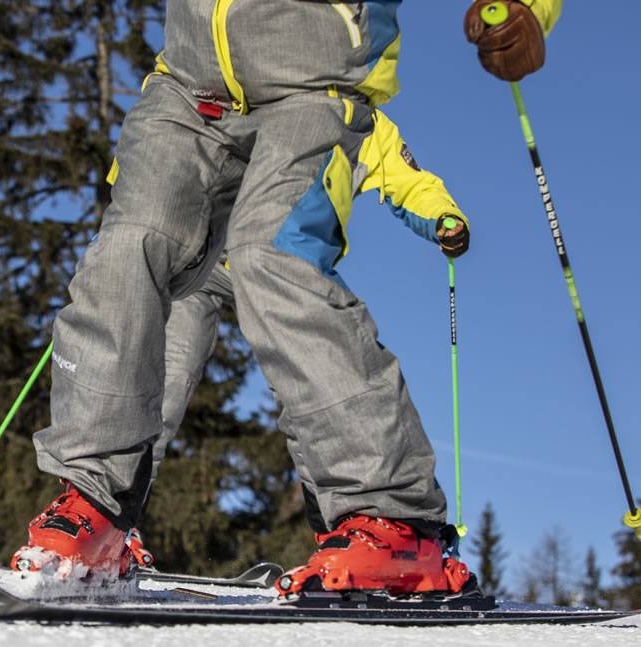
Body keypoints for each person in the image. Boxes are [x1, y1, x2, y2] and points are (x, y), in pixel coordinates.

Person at [11, 1, 561, 594]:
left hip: (315, 84)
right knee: (127, 250)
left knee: (274, 259)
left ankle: (393, 521)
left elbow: (403, 174)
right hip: (188, 87)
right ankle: (95, 503)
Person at [147, 108, 471, 595]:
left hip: (286, 266)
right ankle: (107, 517)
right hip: (202, 259)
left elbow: (409, 179)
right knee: (155, 379)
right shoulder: (247, 90)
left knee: (313, 395)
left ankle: (364, 534)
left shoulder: (359, 115)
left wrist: (444, 215)